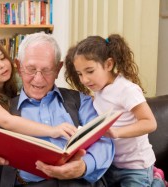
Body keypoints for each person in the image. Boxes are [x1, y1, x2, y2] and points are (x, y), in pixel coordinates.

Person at [0, 32, 115, 187]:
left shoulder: (80, 101)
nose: (38, 79)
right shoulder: (1, 111)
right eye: (31, 69)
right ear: (19, 67)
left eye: (47, 70)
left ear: (58, 69)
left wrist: (84, 166)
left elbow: (103, 139)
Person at [64, 34, 166, 186]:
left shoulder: (126, 90)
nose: (84, 79)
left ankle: (157, 180)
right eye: (80, 74)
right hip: (112, 165)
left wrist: (117, 132)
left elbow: (150, 123)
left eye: (90, 71)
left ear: (109, 64)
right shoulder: (99, 90)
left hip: (136, 167)